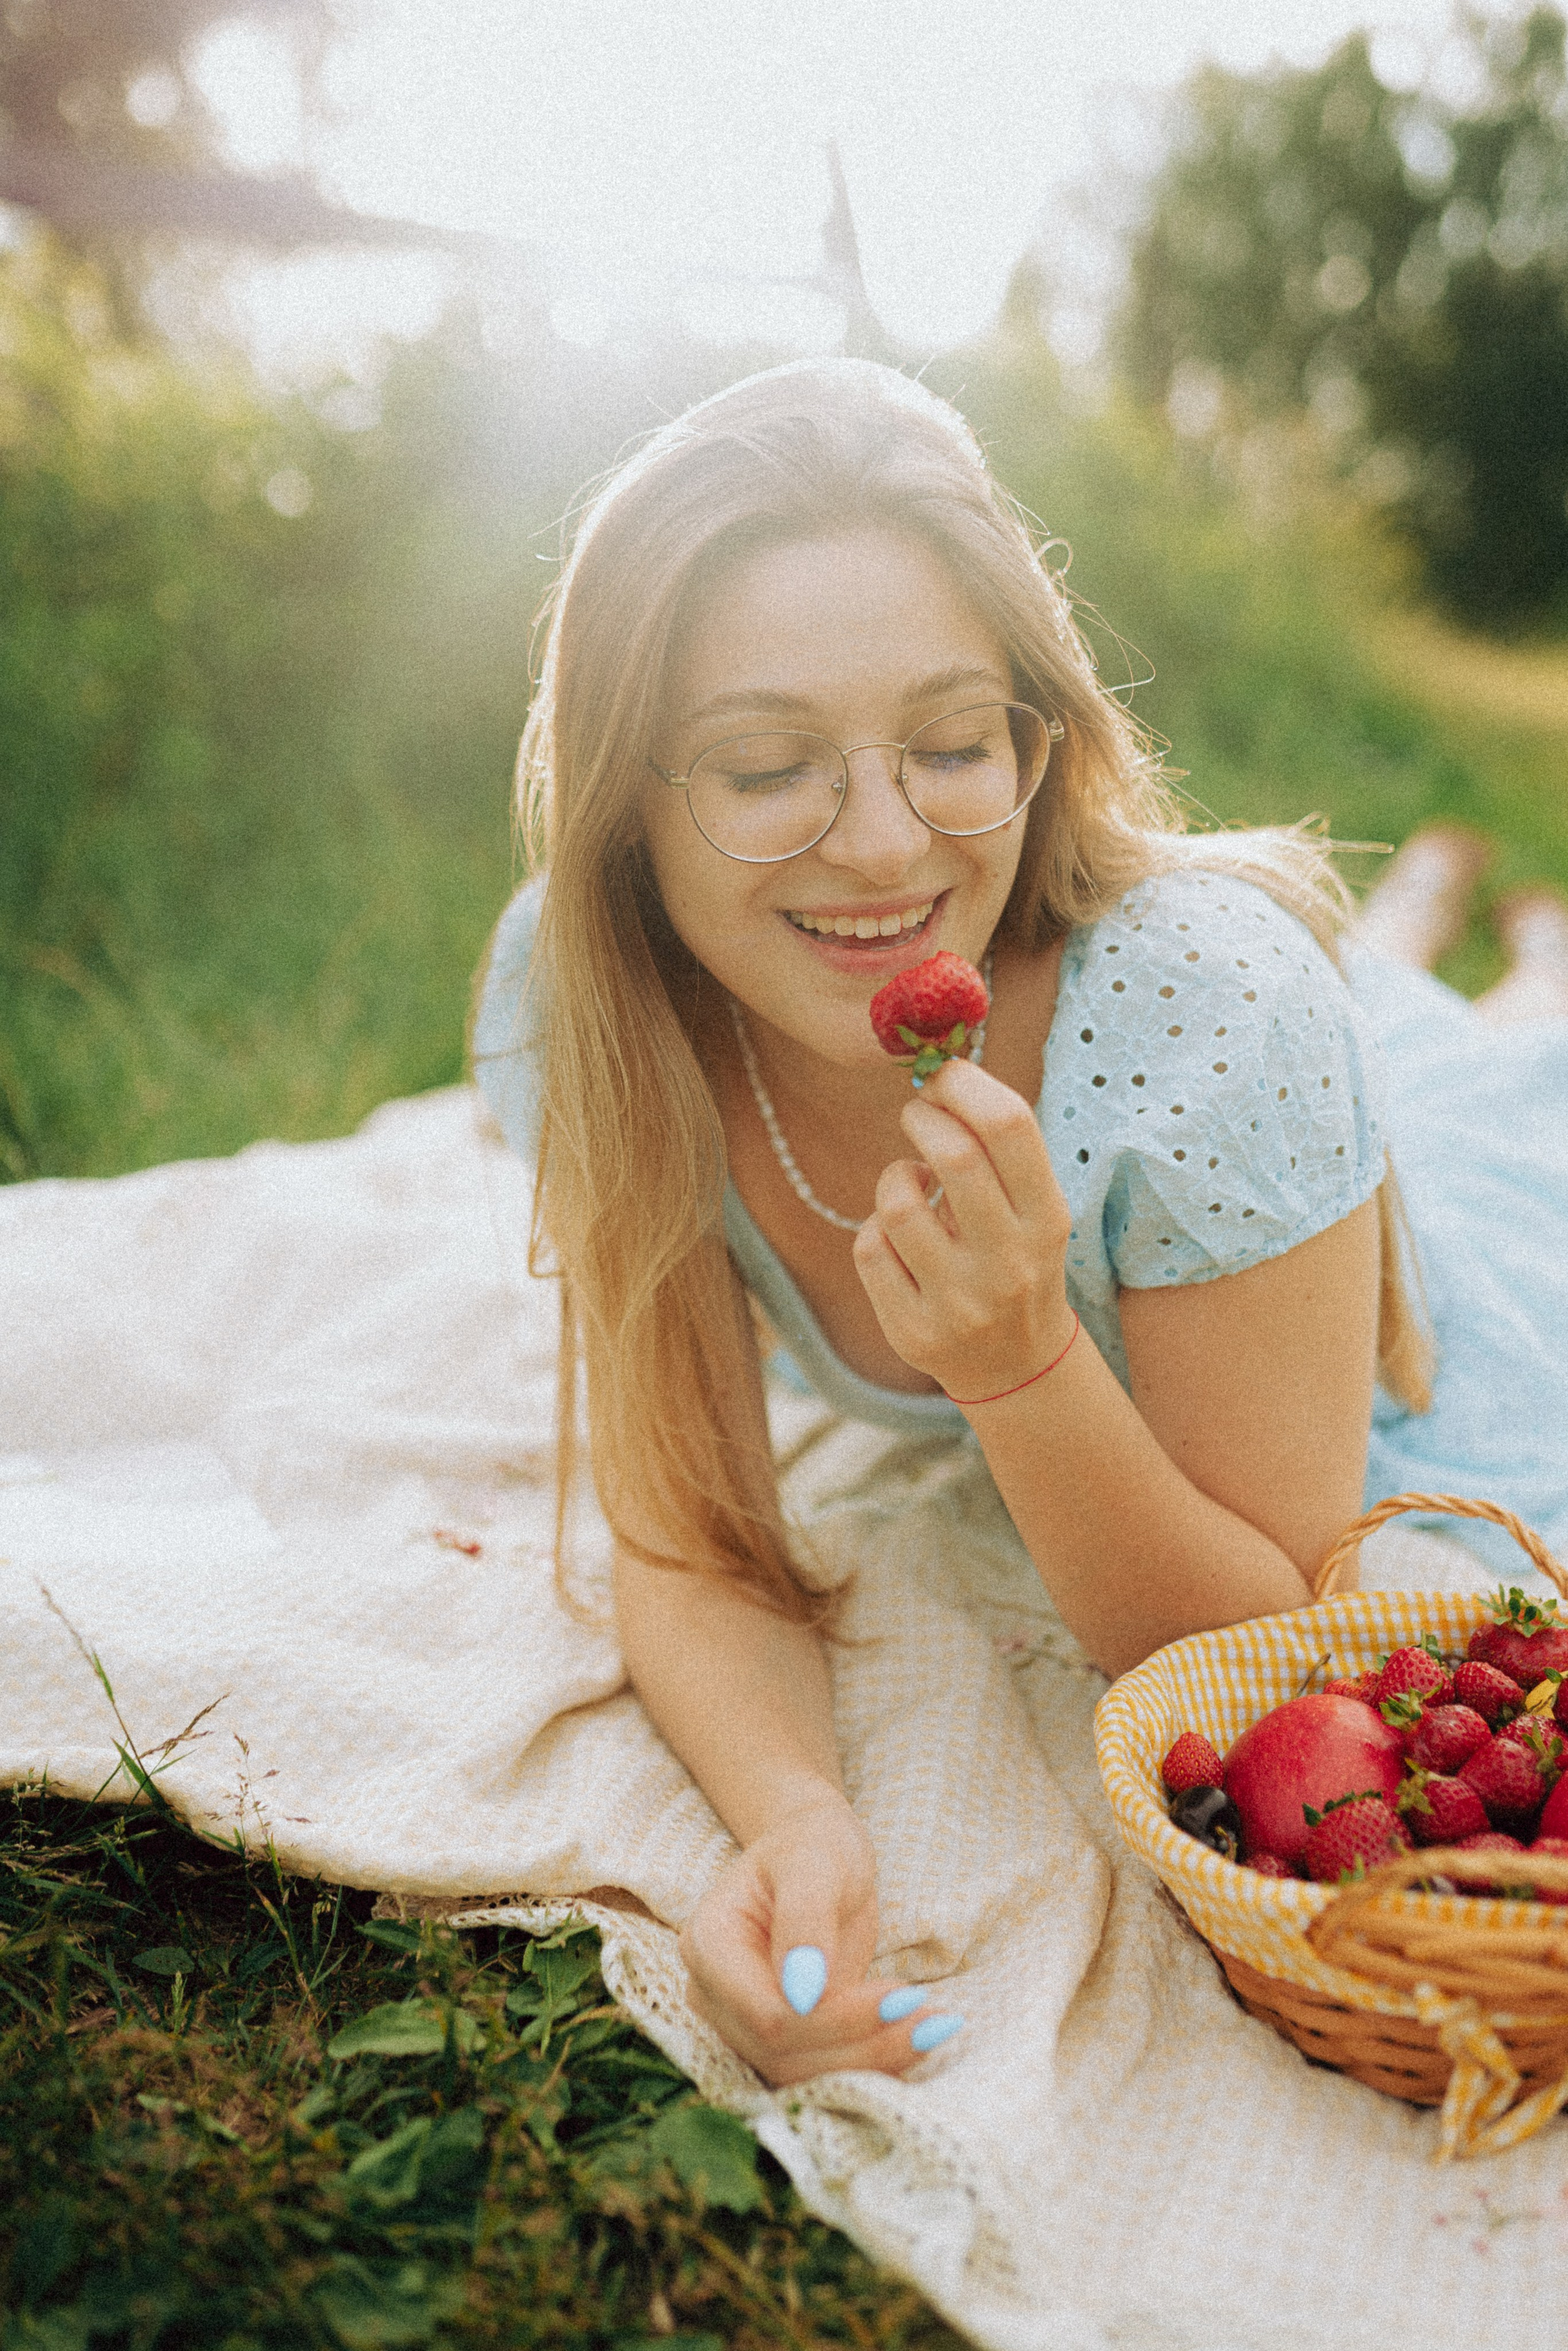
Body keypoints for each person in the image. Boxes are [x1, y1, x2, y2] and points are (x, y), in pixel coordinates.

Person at [472, 358, 1568, 2089]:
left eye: (952, 743)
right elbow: (686, 1532)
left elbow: (1262, 1645)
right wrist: (796, 1819)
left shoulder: (1207, 1015)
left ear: (1035, 745)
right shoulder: (587, 1008)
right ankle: (1444, 917)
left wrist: (1023, 1362)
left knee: (1501, 1084)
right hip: (1273, 1101)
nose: (886, 846)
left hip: (1420, 1241)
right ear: (623, 801)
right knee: (1429, 1027)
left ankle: (1508, 946)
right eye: (767, 765)